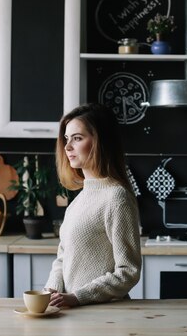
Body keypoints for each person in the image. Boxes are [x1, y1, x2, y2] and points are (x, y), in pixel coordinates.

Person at [43, 103, 141, 307]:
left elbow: (128, 271)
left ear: (100, 142)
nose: (67, 147)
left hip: (105, 316)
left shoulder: (117, 198)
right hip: (74, 312)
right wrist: (51, 290)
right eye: (66, 139)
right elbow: (63, 257)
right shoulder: (79, 200)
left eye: (77, 138)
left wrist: (78, 297)